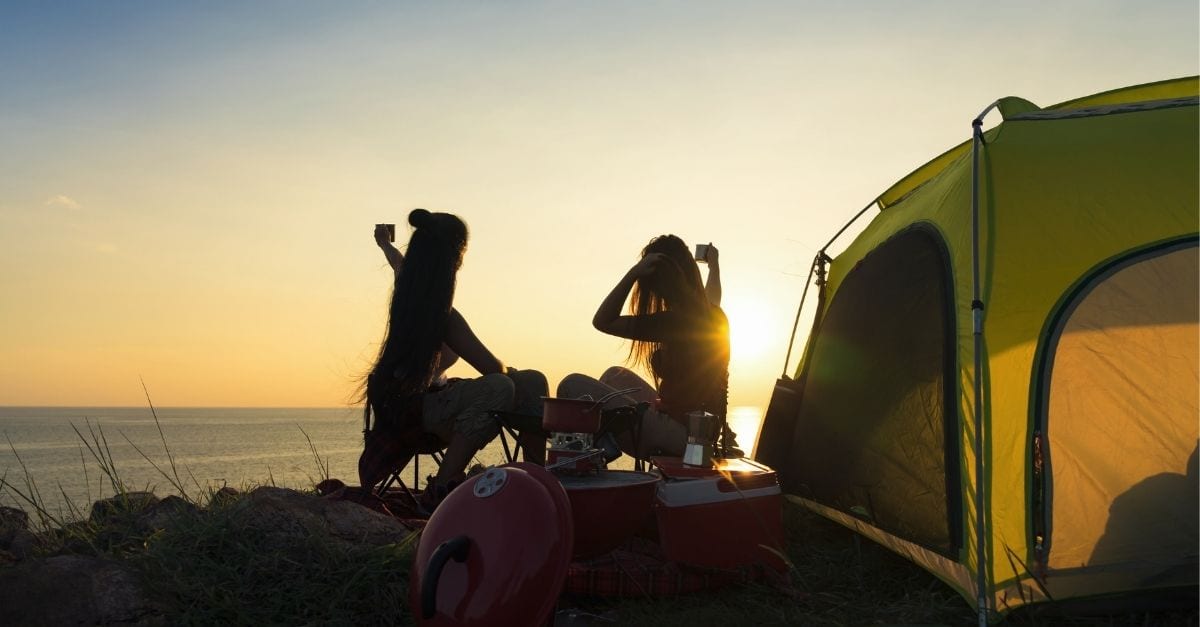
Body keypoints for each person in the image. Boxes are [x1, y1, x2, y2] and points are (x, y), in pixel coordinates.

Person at [360, 209, 546, 510]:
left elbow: (399, 264)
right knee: (502, 386)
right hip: (419, 415)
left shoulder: (408, 290)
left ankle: (535, 476)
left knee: (530, 379)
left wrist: (384, 244)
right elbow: (491, 368)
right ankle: (442, 489)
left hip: (399, 408)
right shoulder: (442, 316)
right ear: (453, 258)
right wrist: (510, 373)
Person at [557, 235, 731, 459]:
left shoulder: (673, 322)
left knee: (572, 385)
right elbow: (713, 296)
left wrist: (633, 273)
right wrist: (714, 266)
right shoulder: (712, 316)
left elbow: (602, 321)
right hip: (698, 434)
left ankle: (600, 445)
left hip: (683, 439)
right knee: (613, 376)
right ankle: (604, 439)